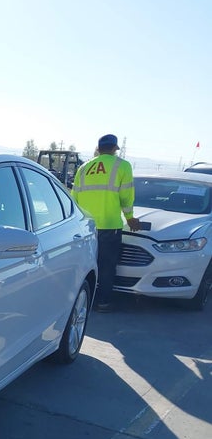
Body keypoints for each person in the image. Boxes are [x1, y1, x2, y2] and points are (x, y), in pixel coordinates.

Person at [71, 134, 140, 313]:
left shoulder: (83, 168)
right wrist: (130, 217)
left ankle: (82, 301)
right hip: (109, 226)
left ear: (99, 149)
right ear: (114, 149)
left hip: (85, 227)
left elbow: (74, 198)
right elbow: (126, 196)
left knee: (85, 265)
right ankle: (103, 303)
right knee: (107, 266)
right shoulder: (122, 166)